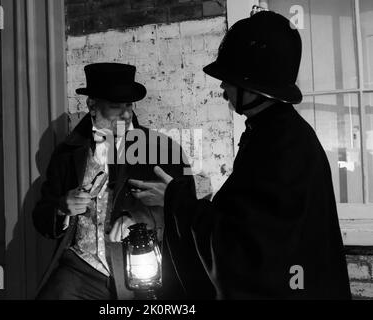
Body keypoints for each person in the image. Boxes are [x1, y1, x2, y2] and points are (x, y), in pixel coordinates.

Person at [129, 11, 352, 299]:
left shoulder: (282, 146)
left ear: (254, 86)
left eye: (229, 79)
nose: (223, 88)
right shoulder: (274, 133)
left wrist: (175, 198)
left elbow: (242, 252)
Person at [33, 62, 213, 299]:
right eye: (116, 106)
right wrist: (61, 209)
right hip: (81, 269)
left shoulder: (163, 150)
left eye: (129, 105)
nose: (127, 114)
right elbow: (41, 217)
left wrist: (139, 218)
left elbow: (188, 213)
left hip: (142, 273)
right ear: (92, 106)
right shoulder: (67, 154)